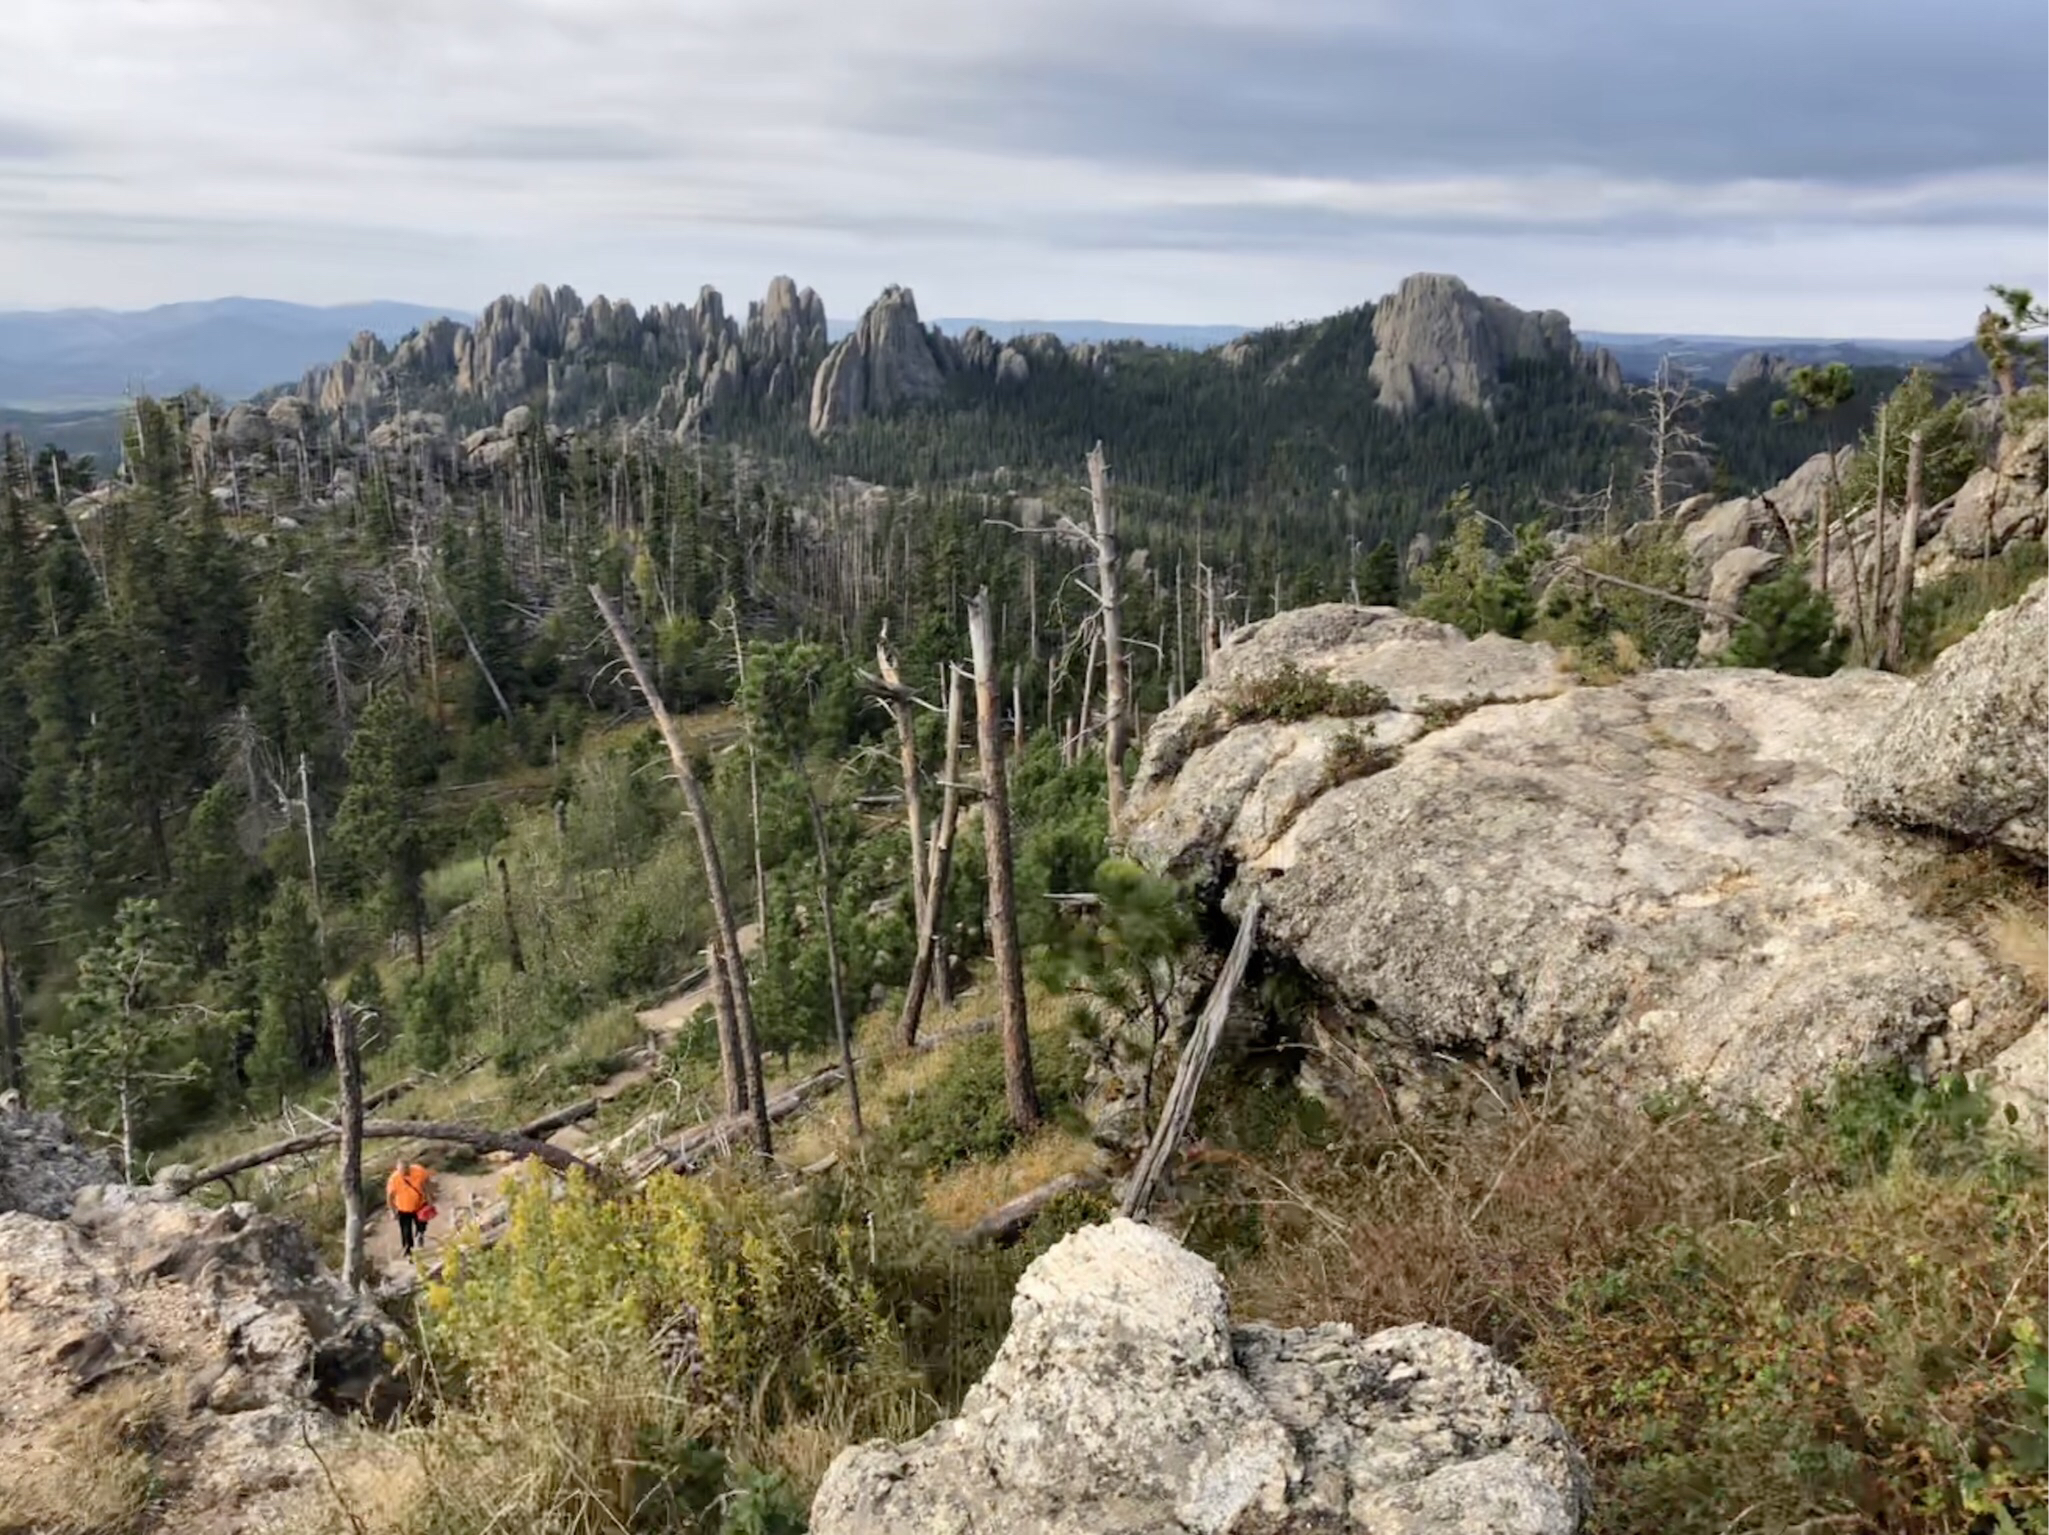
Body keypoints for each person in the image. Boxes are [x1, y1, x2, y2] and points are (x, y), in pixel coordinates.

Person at [385, 1158, 434, 1257]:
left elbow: (427, 1184)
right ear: (397, 1169)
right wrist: (392, 1211)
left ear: (409, 1167)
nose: (404, 1173)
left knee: (422, 1224)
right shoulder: (394, 1179)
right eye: (401, 1171)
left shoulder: (419, 1171)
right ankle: (408, 1250)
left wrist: (429, 1199)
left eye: (406, 1170)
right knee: (406, 1230)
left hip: (420, 1205)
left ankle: (420, 1235)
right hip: (403, 1208)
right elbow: (390, 1197)